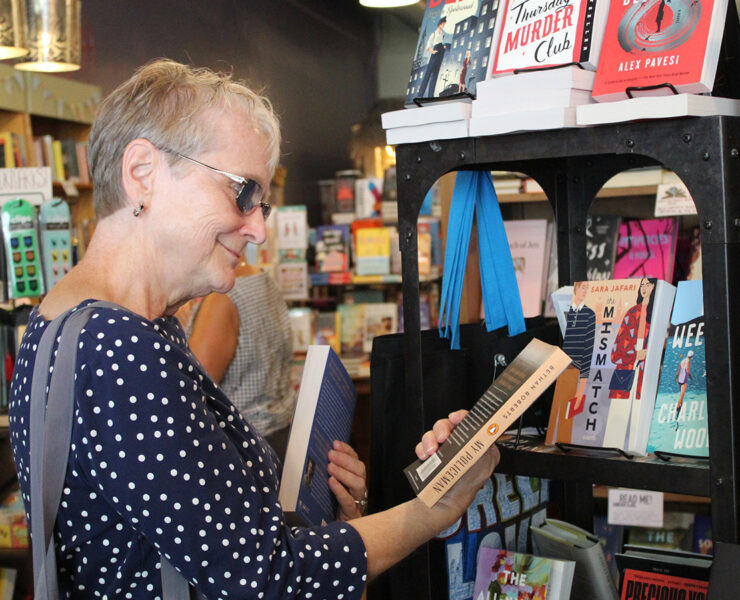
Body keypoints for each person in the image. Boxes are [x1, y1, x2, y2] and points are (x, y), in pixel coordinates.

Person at [8, 59, 500, 599]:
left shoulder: (66, 323)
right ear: (142, 173)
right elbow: (265, 579)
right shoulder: (121, 349)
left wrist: (335, 512)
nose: (260, 229)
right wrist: (434, 509)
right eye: (243, 193)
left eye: (262, 204)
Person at [187, 258, 295, 461]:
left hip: (244, 450)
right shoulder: (260, 277)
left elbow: (192, 393)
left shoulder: (223, 299)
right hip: (278, 438)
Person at [603, 277, 656, 449]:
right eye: (642, 284)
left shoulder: (658, 316)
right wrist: (635, 354)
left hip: (644, 376)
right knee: (614, 435)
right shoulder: (632, 312)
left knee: (638, 437)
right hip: (624, 372)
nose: (644, 288)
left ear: (655, 287)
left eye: (648, 284)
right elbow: (615, 354)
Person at [417, 16, 449, 98]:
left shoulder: (442, 34)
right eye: (443, 24)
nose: (444, 26)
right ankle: (420, 94)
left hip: (440, 51)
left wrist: (443, 48)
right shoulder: (434, 34)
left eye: (444, 24)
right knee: (428, 73)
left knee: (435, 73)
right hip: (435, 51)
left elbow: (440, 42)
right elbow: (428, 46)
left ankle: (430, 95)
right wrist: (433, 51)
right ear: (440, 24)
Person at [674, 350, 694, 429]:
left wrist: (676, 377)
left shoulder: (682, 360)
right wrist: (691, 377)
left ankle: (679, 409)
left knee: (680, 395)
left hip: (679, 379)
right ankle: (677, 411)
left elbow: (679, 370)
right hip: (684, 379)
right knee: (682, 396)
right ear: (691, 356)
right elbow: (688, 371)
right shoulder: (688, 360)